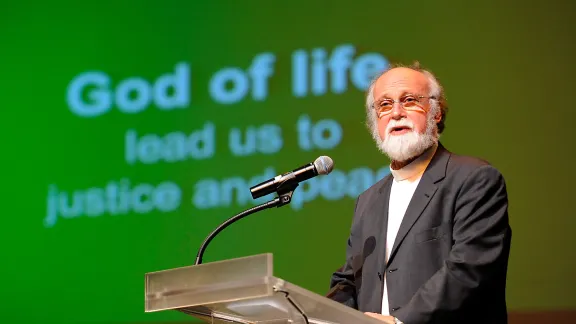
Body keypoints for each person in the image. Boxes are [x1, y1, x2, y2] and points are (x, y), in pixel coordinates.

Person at [326, 62, 512, 324]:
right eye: (385, 105)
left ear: (435, 113)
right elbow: (349, 281)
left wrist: (401, 321)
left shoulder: (474, 179)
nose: (397, 113)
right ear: (375, 123)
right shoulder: (368, 200)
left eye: (409, 100)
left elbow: (469, 269)